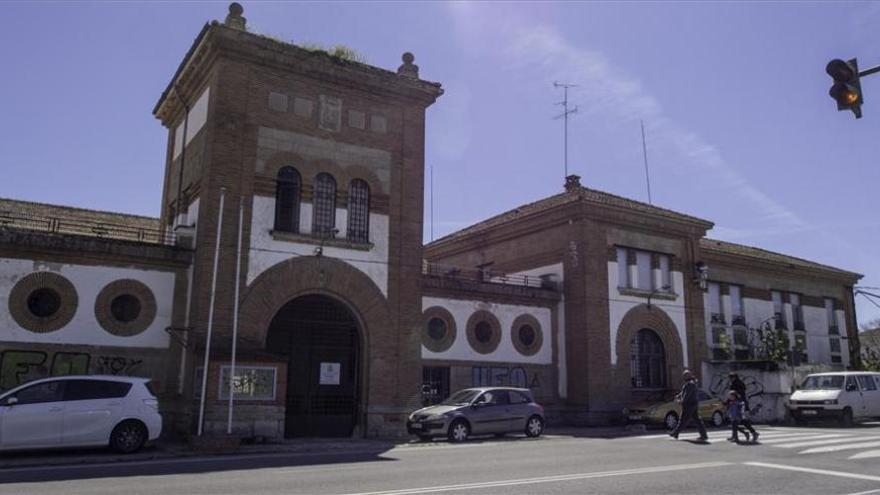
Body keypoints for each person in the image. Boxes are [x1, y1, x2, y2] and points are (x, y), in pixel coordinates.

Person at [670, 369, 708, 441]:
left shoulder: (690, 384)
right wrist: (678, 395)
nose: (683, 377)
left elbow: (687, 395)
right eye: (683, 375)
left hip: (689, 404)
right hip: (693, 403)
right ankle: (704, 434)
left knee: (683, 419)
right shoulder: (690, 383)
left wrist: (681, 401)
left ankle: (675, 433)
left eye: (685, 375)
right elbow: (683, 392)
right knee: (697, 420)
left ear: (688, 376)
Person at [728, 373, 759, 443]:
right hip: (740, 404)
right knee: (740, 421)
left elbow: (735, 395)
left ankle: (752, 433)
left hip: (738, 405)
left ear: (734, 378)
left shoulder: (735, 384)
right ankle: (752, 433)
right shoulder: (740, 383)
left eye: (731, 378)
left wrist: (730, 402)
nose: (730, 379)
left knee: (736, 421)